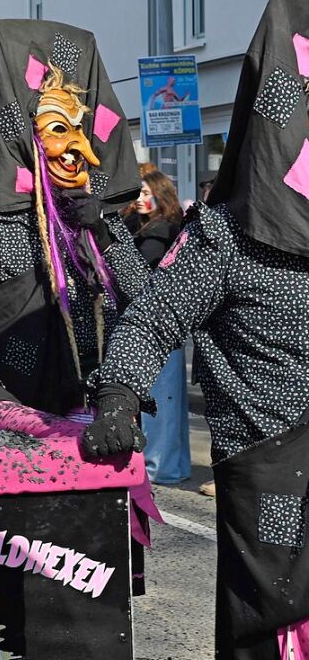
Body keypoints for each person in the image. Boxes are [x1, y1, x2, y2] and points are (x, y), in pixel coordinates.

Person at [85, 0, 309, 660]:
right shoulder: (224, 241)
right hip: (273, 475)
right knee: (271, 633)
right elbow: (150, 318)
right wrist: (119, 391)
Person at [0, 19, 149, 427]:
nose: (77, 148)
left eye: (80, 130)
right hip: (10, 413)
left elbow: (147, 301)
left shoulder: (95, 213)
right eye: (59, 130)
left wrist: (103, 234)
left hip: (93, 411)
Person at [129, 170, 190, 485]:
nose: (139, 199)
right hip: (169, 324)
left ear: (160, 194)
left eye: (144, 193)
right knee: (169, 399)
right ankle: (173, 466)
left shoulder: (160, 230)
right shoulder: (162, 227)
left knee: (161, 398)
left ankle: (160, 467)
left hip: (159, 324)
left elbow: (137, 272)